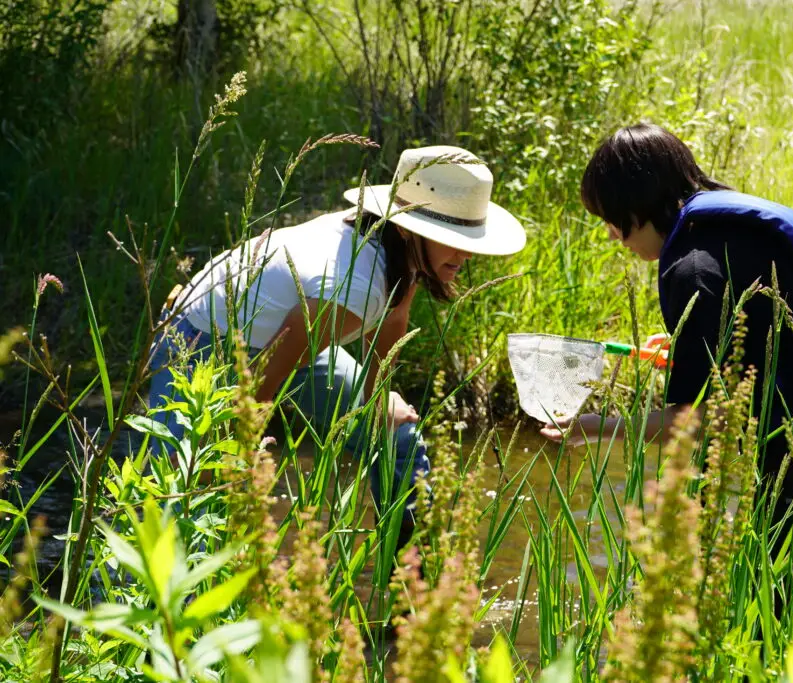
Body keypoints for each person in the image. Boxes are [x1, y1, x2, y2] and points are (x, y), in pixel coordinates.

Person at [542, 123, 793, 551]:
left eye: (610, 219)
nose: (612, 236)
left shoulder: (692, 269)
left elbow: (697, 422)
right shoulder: (720, 229)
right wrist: (688, 348)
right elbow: (770, 327)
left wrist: (597, 427)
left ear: (636, 203)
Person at [149, 144, 527, 551]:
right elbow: (262, 384)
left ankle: (409, 580)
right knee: (181, 492)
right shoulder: (354, 284)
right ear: (405, 225)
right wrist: (237, 447)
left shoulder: (405, 252)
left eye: (468, 236)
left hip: (293, 338)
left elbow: (392, 323)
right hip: (200, 340)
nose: (465, 252)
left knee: (397, 435)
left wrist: (378, 399)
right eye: (452, 238)